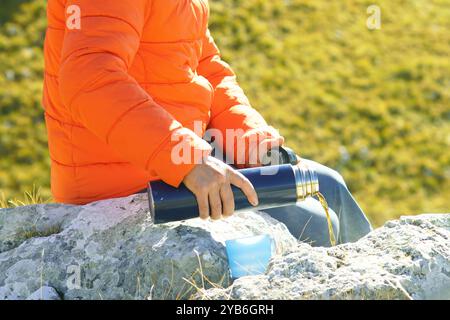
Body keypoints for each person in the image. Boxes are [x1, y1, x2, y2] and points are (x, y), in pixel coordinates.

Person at [43, 0, 371, 246]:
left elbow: (205, 68)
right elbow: (88, 78)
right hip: (133, 180)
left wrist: (251, 141)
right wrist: (187, 161)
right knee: (314, 223)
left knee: (328, 185)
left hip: (177, 156)